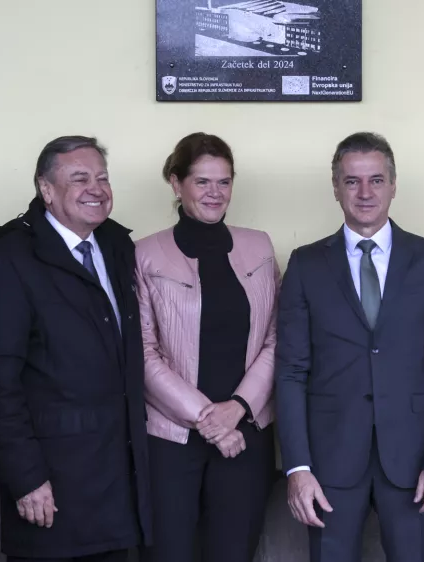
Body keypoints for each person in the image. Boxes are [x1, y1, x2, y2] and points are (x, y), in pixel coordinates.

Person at [275, 132, 424, 562]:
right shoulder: (306, 264)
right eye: (352, 181)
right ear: (335, 187)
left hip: (414, 461)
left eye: (376, 180)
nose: (365, 193)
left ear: (393, 185)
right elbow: (290, 371)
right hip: (328, 463)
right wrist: (298, 467)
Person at [0, 135, 152, 562]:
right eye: (79, 178)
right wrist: (26, 478)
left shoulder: (116, 247)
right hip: (52, 486)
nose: (97, 189)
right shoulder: (9, 262)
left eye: (103, 178)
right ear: (46, 190)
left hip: (115, 484)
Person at [135, 132, 279, 562]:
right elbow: (142, 352)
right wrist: (206, 419)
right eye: (202, 182)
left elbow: (277, 338)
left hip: (245, 435)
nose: (215, 193)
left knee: (234, 553)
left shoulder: (260, 247)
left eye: (224, 182)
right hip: (171, 439)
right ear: (176, 184)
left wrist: (237, 408)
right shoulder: (144, 254)